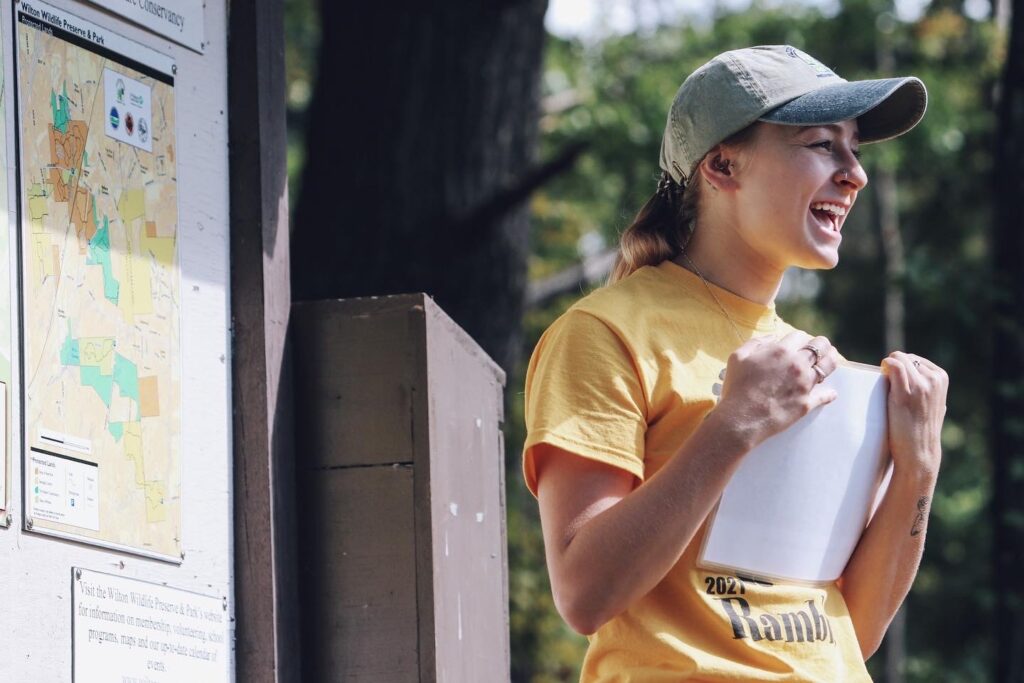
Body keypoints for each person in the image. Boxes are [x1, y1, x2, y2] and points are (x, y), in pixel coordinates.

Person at [522, 45, 948, 682]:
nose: (854, 173)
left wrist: (918, 469)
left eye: (854, 148)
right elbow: (584, 593)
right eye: (822, 145)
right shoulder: (603, 331)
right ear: (722, 165)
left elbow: (849, 632)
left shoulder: (818, 367)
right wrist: (732, 428)